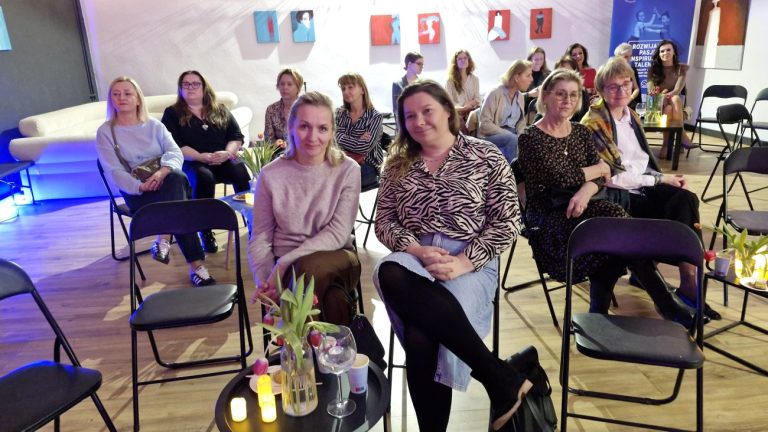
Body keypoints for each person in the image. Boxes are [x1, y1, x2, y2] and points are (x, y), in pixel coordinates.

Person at [374, 80, 531, 431]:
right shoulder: (397, 164)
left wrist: (464, 261)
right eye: (409, 116)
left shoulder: (486, 155)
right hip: (415, 256)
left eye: (427, 111)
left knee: (421, 336)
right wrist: (415, 249)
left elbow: (508, 221)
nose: (419, 121)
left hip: (471, 260)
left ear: (448, 110)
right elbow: (384, 221)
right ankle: (497, 375)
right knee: (389, 271)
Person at [517, 69, 694, 326]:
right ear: (545, 96)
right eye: (560, 94)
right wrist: (597, 169)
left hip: (585, 205)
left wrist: (586, 190)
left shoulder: (580, 132)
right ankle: (663, 304)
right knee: (615, 229)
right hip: (550, 218)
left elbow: (605, 175)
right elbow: (560, 178)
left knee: (615, 230)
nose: (567, 100)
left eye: (573, 95)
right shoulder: (530, 137)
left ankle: (606, 311)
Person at [581, 57, 720, 320]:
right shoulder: (594, 122)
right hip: (617, 194)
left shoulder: (631, 116)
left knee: (685, 199)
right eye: (613, 86)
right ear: (600, 90)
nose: (621, 91)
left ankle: (688, 280)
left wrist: (663, 178)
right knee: (667, 205)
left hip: (641, 185)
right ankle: (667, 286)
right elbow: (613, 177)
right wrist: (660, 180)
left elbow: (643, 164)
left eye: (626, 84)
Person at [248, 91, 362, 325]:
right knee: (332, 300)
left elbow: (338, 233)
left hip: (336, 256)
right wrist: (267, 281)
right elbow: (260, 236)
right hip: (287, 269)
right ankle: (338, 346)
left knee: (308, 270)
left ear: (332, 131)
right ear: (291, 127)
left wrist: (284, 263)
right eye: (304, 126)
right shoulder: (270, 175)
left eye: (322, 128)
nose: (313, 137)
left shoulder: (348, 170)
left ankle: (291, 338)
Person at [96, 76, 214, 286]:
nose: (122, 97)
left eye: (127, 93)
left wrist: (161, 173)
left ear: (138, 98)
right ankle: (196, 267)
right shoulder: (106, 132)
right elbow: (113, 171)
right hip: (137, 193)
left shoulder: (154, 126)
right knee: (180, 204)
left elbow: (175, 152)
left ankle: (163, 238)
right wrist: (139, 186)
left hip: (166, 184)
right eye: (116, 94)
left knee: (176, 179)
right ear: (111, 99)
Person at [161, 70, 249, 253]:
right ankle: (206, 230)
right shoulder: (172, 113)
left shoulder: (220, 109)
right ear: (180, 89)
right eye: (186, 84)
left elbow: (236, 136)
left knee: (240, 170)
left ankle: (252, 221)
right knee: (204, 177)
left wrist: (227, 153)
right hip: (192, 161)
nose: (190, 87)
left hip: (222, 158)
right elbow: (173, 144)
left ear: (204, 87)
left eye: (195, 83)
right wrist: (200, 156)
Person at [335, 72, 384, 189]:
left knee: (336, 181)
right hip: (342, 161)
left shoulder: (375, 116)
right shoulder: (340, 113)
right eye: (343, 89)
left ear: (362, 90)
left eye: (350, 87)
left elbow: (364, 147)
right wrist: (357, 139)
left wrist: (340, 137)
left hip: (367, 166)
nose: (346, 91)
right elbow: (333, 141)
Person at [478, 60, 533, 163]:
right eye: (528, 75)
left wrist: (523, 137)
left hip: (512, 134)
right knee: (512, 139)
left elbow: (520, 123)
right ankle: (510, 171)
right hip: (490, 136)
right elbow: (484, 125)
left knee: (530, 141)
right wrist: (508, 134)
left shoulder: (520, 96)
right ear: (516, 78)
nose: (531, 79)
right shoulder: (495, 93)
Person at [647, 39, 693, 151]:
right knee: (673, 101)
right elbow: (651, 91)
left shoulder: (681, 68)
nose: (665, 53)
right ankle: (682, 137)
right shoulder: (652, 69)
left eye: (668, 50)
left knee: (671, 105)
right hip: (657, 104)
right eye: (662, 51)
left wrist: (666, 95)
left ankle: (666, 145)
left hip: (673, 104)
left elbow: (677, 89)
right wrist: (662, 96)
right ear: (659, 54)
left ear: (674, 52)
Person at [445, 50, 481, 133]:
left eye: (465, 58)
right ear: (455, 62)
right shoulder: (450, 81)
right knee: (458, 120)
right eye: (460, 59)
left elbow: (477, 99)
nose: (463, 60)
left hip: (472, 111)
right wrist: (462, 108)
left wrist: (469, 105)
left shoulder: (475, 79)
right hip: (457, 113)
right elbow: (449, 103)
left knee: (478, 115)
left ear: (469, 60)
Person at [264, 68, 303, 142]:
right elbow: (268, 140)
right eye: (282, 84)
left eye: (289, 84)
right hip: (279, 149)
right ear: (278, 86)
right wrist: (277, 144)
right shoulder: (271, 110)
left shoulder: (307, 109)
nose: (285, 87)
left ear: (298, 88)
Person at [392, 52, 423, 118]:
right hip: (404, 121)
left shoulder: (423, 84)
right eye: (419, 64)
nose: (422, 67)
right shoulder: (397, 84)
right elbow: (396, 109)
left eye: (422, 64)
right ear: (409, 64)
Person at [613, 43, 641, 109]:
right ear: (618, 57)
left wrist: (629, 99)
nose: (629, 59)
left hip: (629, 103)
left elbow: (636, 89)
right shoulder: (611, 70)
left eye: (630, 56)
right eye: (625, 57)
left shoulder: (631, 69)